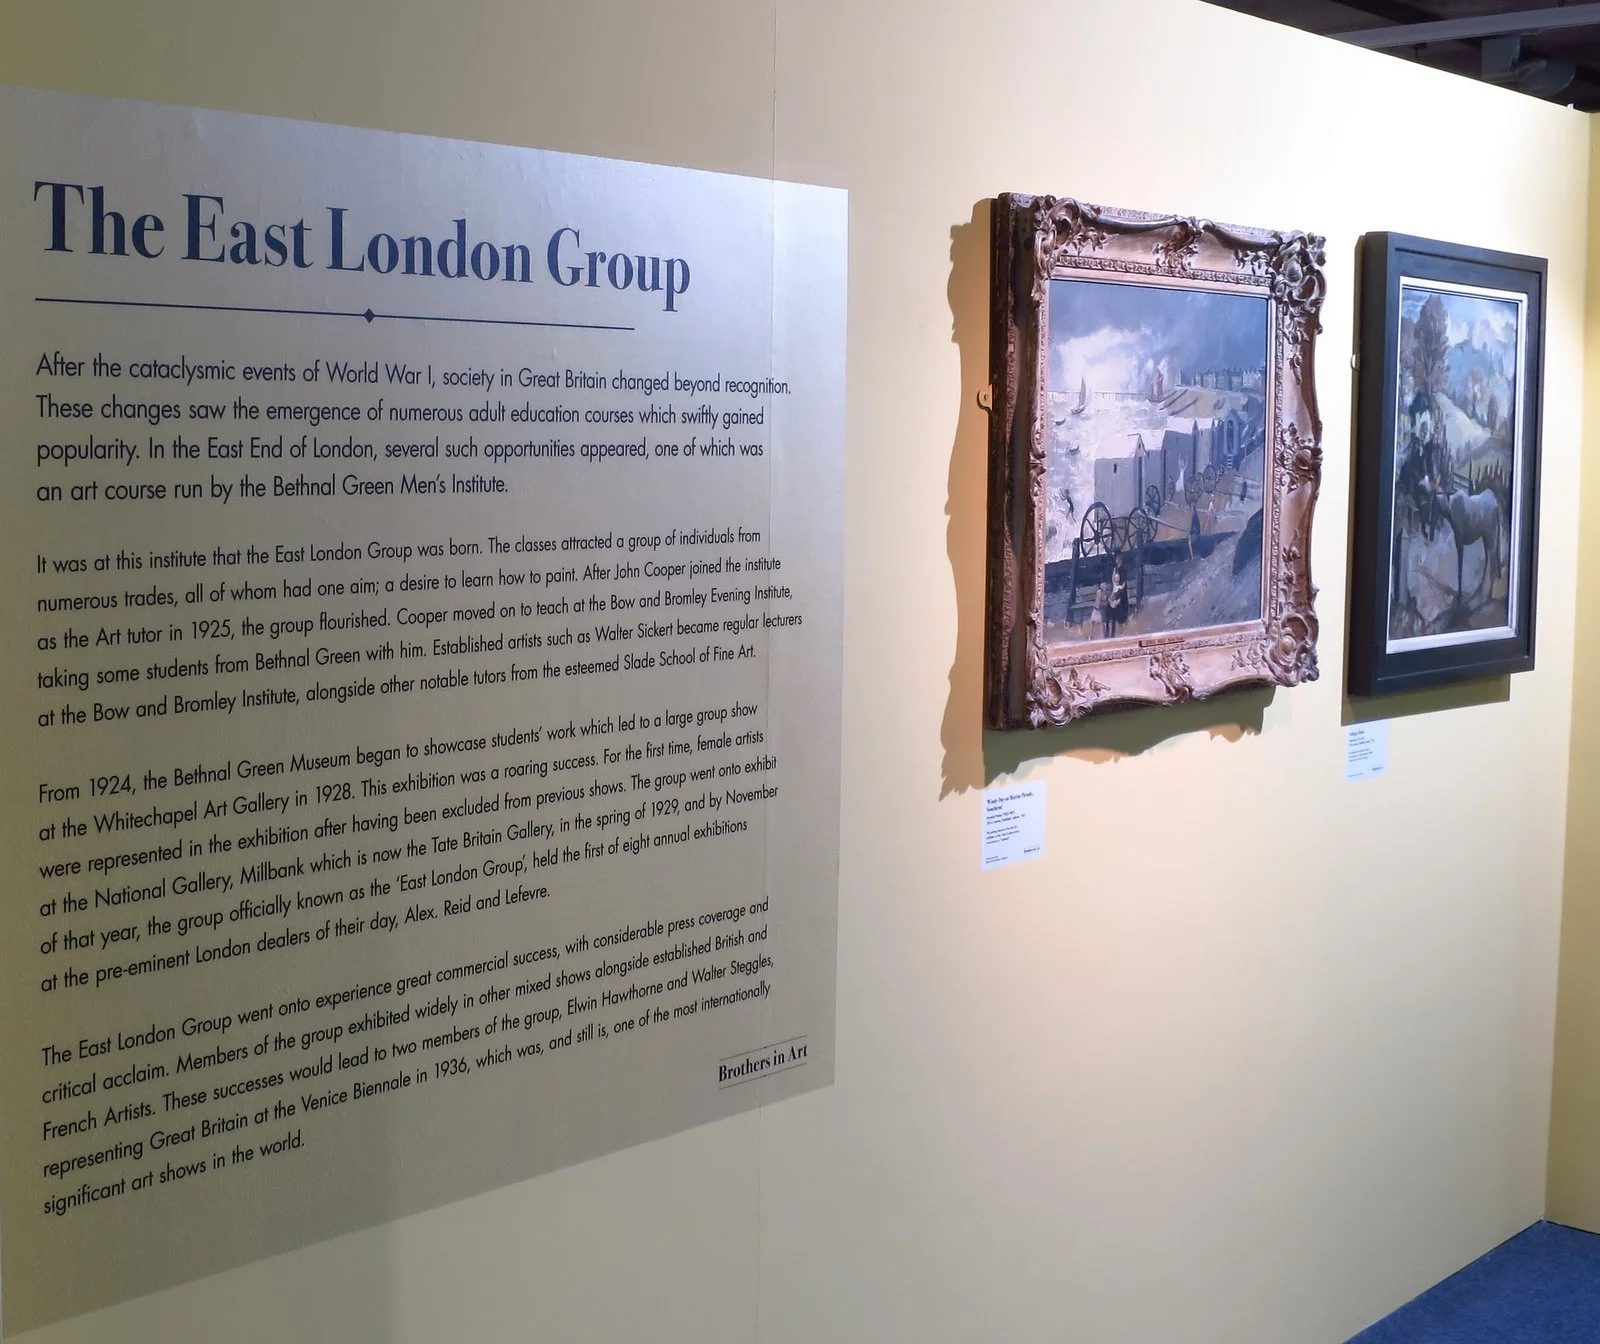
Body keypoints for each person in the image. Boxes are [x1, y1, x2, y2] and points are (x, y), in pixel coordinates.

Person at [1109, 556, 1128, 633]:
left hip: (1121, 597)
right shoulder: (1115, 569)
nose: (1116, 560)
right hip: (1115, 595)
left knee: (1121, 617)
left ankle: (1122, 632)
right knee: (1114, 616)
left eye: (1117, 558)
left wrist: (1117, 595)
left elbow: (1123, 585)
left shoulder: (1122, 570)